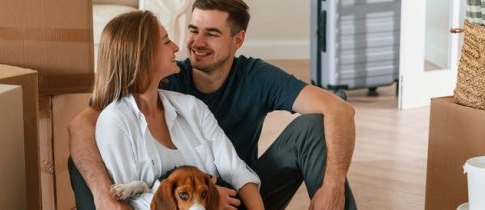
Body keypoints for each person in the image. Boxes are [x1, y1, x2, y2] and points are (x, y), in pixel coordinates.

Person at [68, 0, 357, 209]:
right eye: (193, 30)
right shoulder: (166, 80)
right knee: (82, 163)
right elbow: (83, 123)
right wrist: (103, 193)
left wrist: (332, 188)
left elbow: (339, 109)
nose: (195, 42)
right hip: (187, 199)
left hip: (243, 192)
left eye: (212, 33)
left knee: (314, 126)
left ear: (238, 40)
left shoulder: (250, 78)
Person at [87, 10, 263, 210]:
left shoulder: (193, 107)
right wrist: (202, 200)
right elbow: (128, 202)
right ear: (143, 54)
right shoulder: (115, 121)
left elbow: (236, 170)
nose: (176, 47)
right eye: (166, 41)